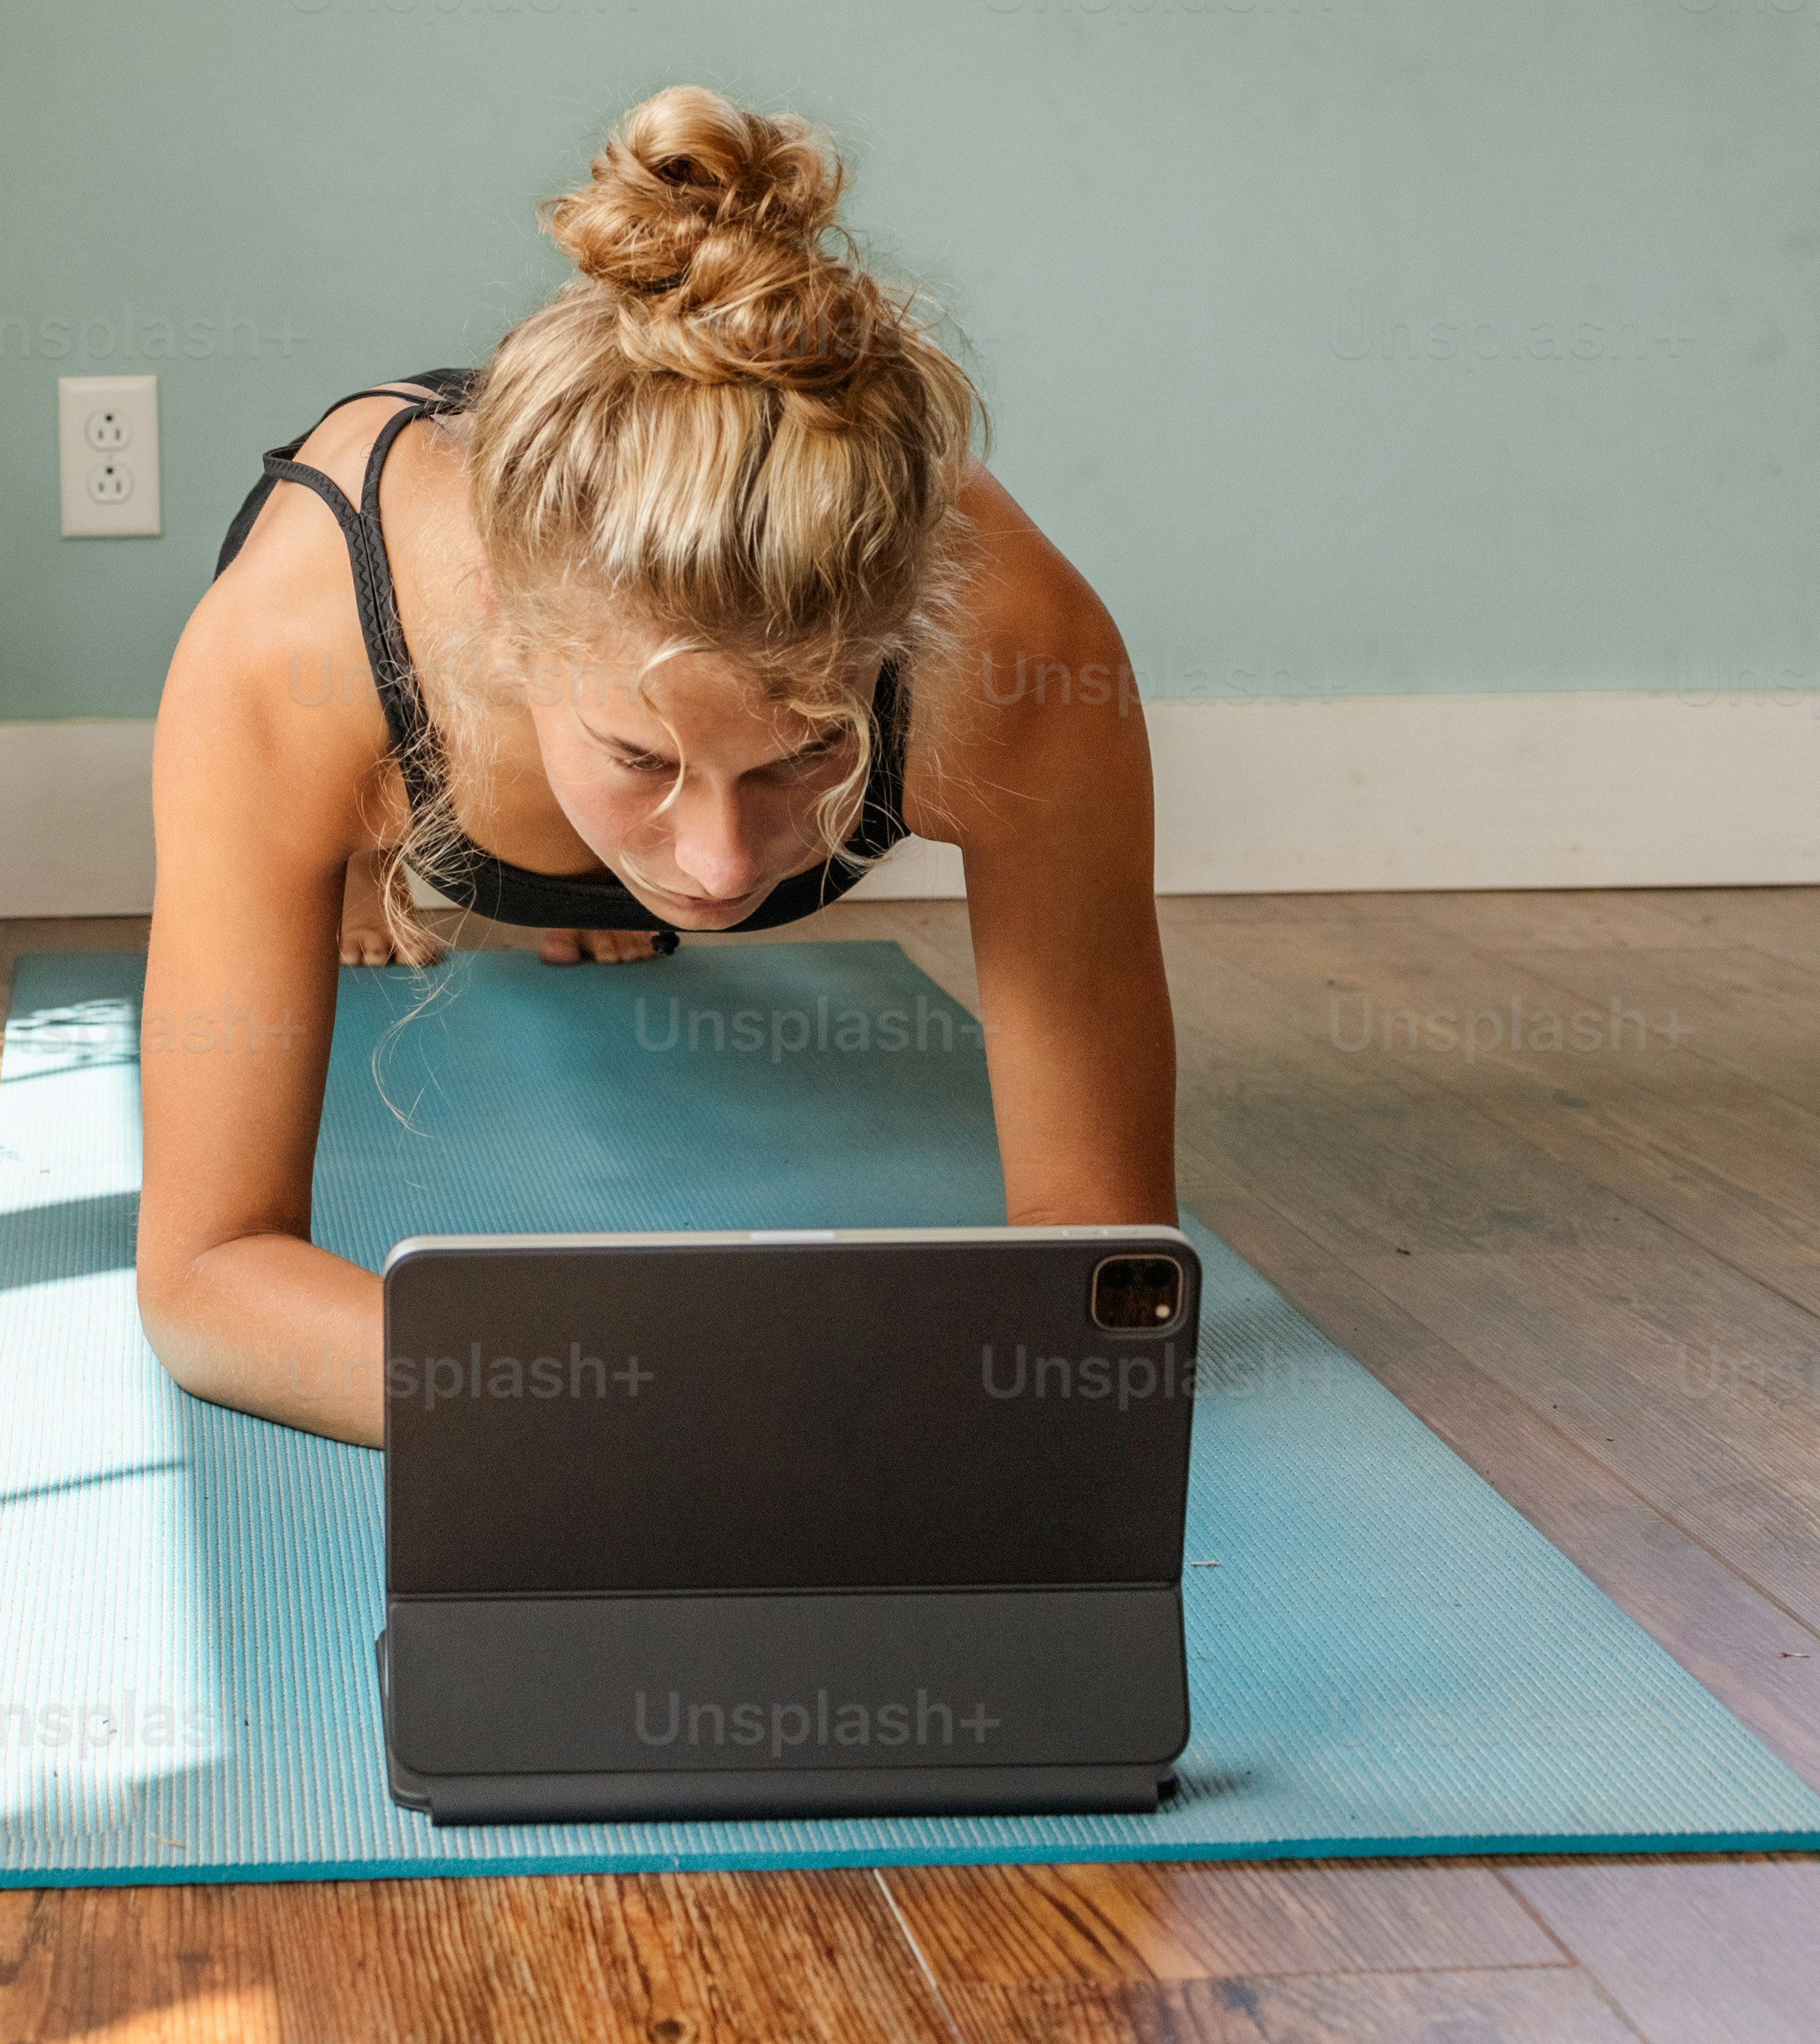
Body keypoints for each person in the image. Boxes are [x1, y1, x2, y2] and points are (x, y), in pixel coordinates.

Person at [135, 87, 1175, 1445]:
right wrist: (641, 1410)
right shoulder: (292, 651)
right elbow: (204, 1283)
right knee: (366, 825)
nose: (721, 866)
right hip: (408, 669)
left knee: (630, 853)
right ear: (504, 633)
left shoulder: (1017, 653)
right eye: (641, 758)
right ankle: (378, 853)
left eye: (807, 757)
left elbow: (1107, 1275)